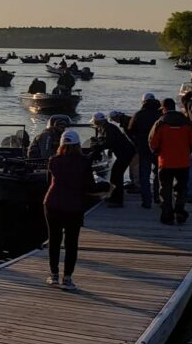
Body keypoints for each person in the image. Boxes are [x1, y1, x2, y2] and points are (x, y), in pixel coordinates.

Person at [43, 128, 95, 289]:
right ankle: (67, 278)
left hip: (52, 204)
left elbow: (48, 182)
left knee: (54, 240)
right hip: (74, 206)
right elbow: (90, 186)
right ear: (78, 144)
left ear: (61, 144)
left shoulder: (53, 160)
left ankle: (53, 275)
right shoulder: (85, 162)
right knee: (71, 243)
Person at [148, 97, 192, 224]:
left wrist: (157, 152)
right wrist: (188, 151)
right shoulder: (186, 122)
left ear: (163, 109)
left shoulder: (160, 123)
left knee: (165, 190)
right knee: (181, 189)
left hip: (165, 162)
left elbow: (152, 142)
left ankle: (167, 216)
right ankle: (180, 212)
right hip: (183, 162)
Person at [93, 111, 136, 208]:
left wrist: (98, 147)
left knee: (116, 176)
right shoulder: (108, 127)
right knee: (116, 175)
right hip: (126, 153)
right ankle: (114, 197)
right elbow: (112, 142)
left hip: (125, 154)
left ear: (97, 121)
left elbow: (109, 142)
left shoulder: (108, 129)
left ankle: (117, 200)